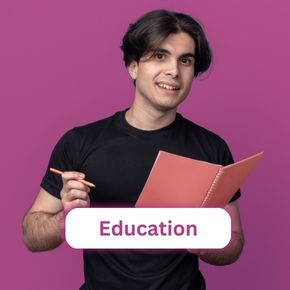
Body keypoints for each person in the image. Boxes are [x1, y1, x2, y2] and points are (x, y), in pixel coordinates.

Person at [23, 9, 244, 290]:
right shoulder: (80, 142)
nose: (173, 71)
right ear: (133, 66)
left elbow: (234, 240)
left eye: (185, 61)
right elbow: (32, 233)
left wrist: (203, 240)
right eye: (159, 56)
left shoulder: (212, 149)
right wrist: (68, 222)